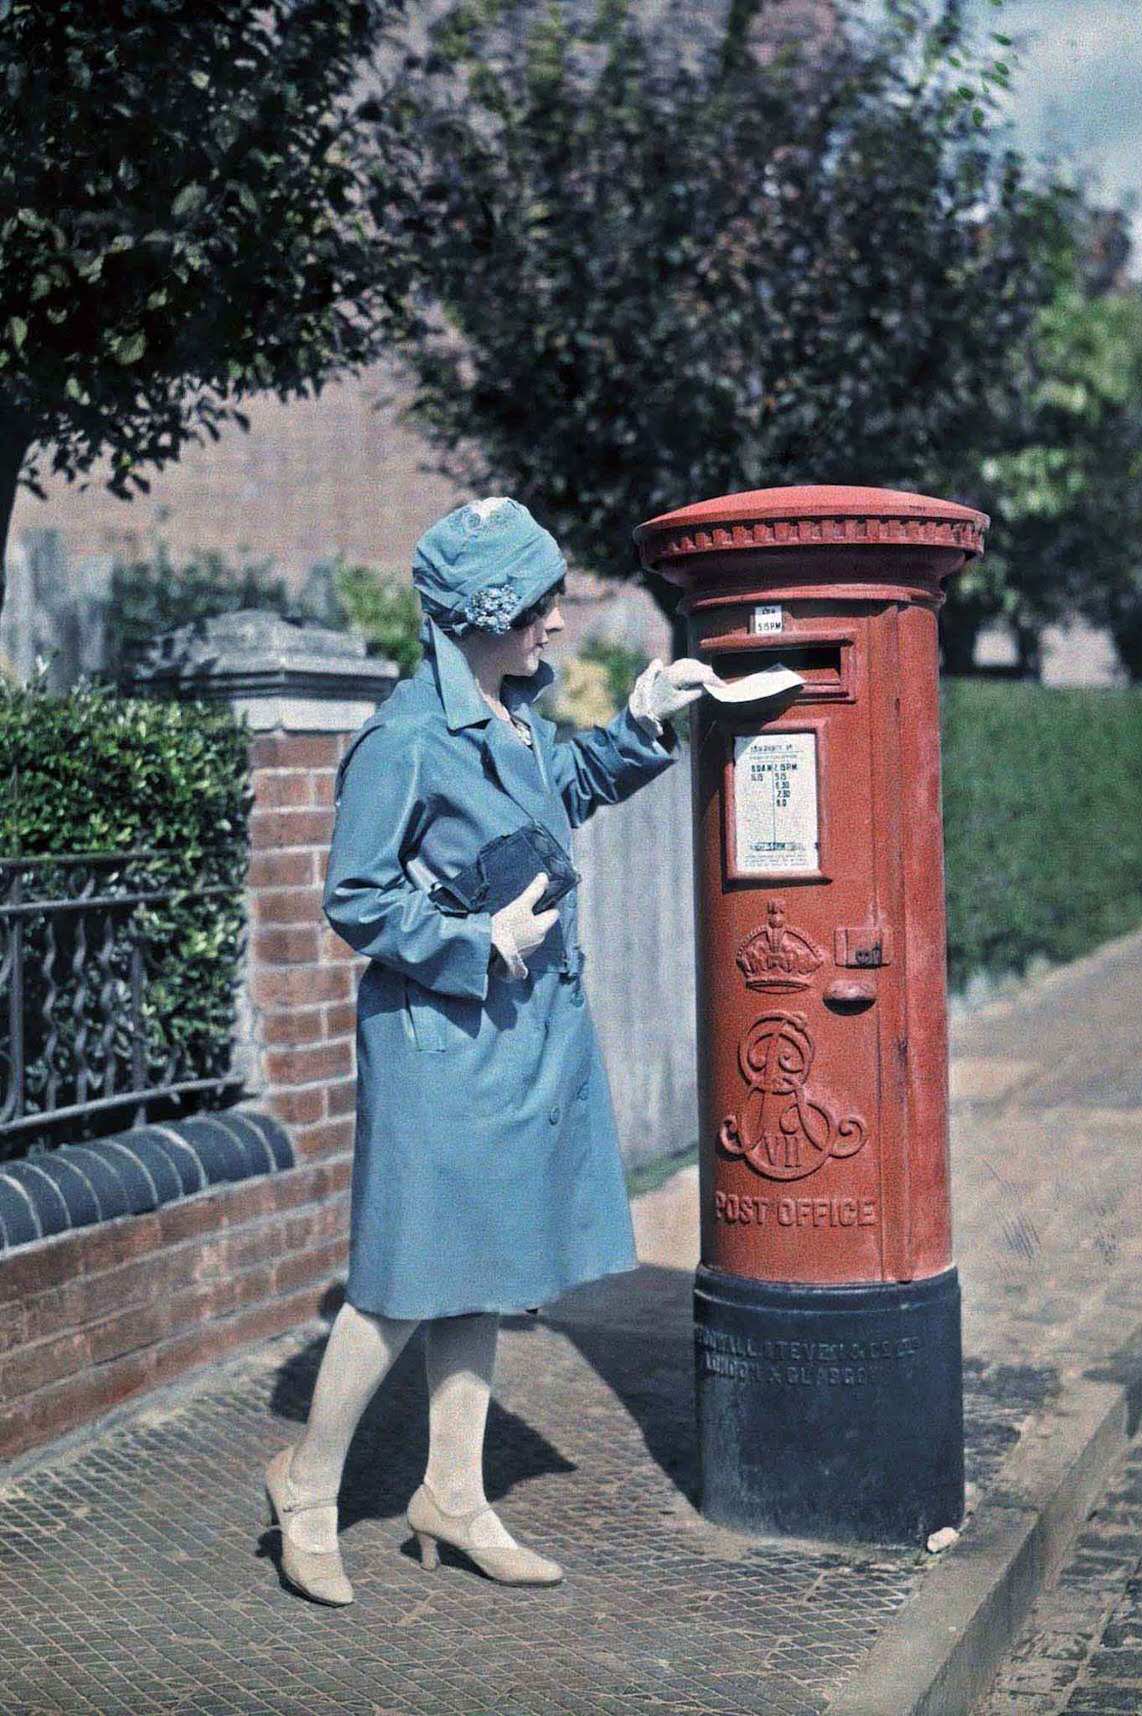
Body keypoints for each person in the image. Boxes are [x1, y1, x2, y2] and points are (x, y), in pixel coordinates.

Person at [263, 496, 719, 1604]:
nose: (557, 626)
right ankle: (307, 1483)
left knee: (483, 1268)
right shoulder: (407, 736)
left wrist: (647, 720)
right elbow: (356, 897)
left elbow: (559, 793)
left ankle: (454, 1498)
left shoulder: (506, 713)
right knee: (401, 1278)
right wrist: (479, 941)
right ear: (484, 612)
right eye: (540, 606)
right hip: (440, 1038)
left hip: (515, 1035)